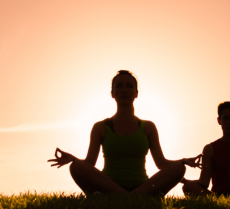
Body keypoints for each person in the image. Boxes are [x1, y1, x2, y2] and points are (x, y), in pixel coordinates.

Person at [48, 70, 202, 195]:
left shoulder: (148, 127)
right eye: (119, 86)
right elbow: (89, 164)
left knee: (179, 167)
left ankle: (125, 197)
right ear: (112, 93)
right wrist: (73, 159)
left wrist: (183, 161)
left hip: (142, 186)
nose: (124, 90)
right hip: (108, 185)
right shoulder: (100, 127)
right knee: (76, 167)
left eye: (129, 86)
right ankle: (132, 198)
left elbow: (161, 163)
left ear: (136, 93)